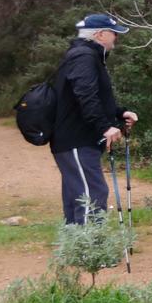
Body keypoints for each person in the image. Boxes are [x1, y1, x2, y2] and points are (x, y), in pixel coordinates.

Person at [50, 13, 137, 224]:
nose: (116, 37)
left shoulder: (87, 55)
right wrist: (105, 127)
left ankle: (77, 247)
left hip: (76, 139)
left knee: (77, 193)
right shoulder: (84, 56)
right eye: (113, 33)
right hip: (76, 139)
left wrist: (119, 113)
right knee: (92, 191)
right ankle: (91, 250)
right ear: (100, 34)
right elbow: (85, 95)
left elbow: (94, 96)